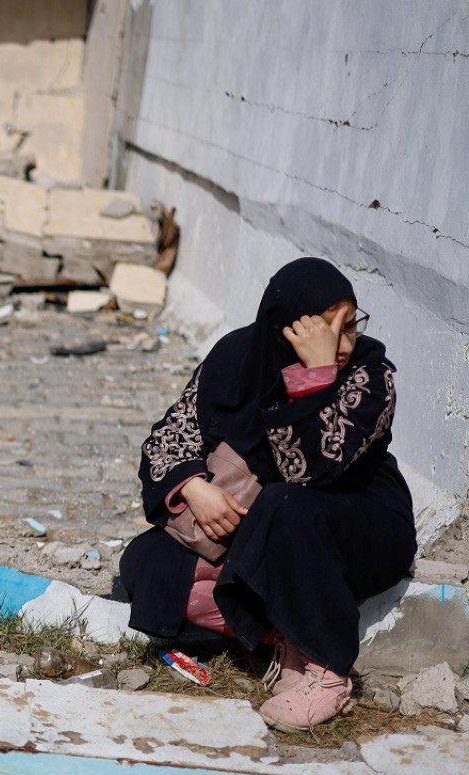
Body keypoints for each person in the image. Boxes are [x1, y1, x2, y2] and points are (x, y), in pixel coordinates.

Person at [119, 257, 416, 731]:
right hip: (260, 529)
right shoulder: (237, 359)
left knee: (284, 505)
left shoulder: (369, 376)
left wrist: (316, 377)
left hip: (356, 527)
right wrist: (194, 488)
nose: (341, 344)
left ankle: (327, 671)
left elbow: (311, 472)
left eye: (349, 326)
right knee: (145, 561)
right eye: (325, 329)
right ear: (283, 329)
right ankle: (279, 633)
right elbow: (167, 439)